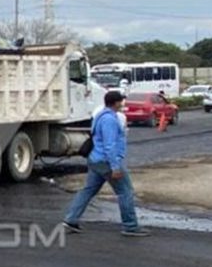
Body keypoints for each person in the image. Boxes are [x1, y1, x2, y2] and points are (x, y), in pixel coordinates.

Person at [63, 91, 149, 237]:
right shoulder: (109, 119)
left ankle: (71, 220)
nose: (123, 104)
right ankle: (130, 226)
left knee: (88, 190)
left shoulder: (100, 115)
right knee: (125, 192)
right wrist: (115, 167)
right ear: (116, 102)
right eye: (121, 101)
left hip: (96, 159)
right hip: (106, 161)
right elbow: (110, 145)